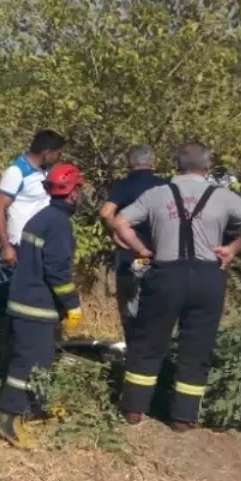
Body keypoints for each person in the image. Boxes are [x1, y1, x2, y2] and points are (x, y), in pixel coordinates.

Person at [111, 141, 241, 430]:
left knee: (149, 341)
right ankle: (183, 418)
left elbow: (120, 221)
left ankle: (134, 408)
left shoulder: (156, 194)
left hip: (165, 273)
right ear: (208, 166)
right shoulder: (223, 196)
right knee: (197, 346)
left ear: (175, 164)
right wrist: (233, 248)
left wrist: (142, 250)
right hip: (207, 276)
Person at [0, 164, 86, 449]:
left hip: (25, 302)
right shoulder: (58, 224)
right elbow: (57, 270)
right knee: (26, 363)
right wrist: (72, 305)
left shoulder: (42, 218)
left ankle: (35, 407)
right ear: (73, 193)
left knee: (43, 361)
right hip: (35, 307)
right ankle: (7, 421)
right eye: (80, 189)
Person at [99, 145, 167, 348]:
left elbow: (105, 212)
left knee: (130, 305)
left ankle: (134, 349)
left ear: (129, 163)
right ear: (152, 162)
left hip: (131, 255)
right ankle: (156, 351)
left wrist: (116, 231)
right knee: (156, 304)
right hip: (159, 255)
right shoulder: (164, 186)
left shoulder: (124, 185)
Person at [0, 131, 66, 269]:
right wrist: (6, 246)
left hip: (41, 244)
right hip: (22, 245)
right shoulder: (16, 172)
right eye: (58, 153)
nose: (59, 158)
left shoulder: (45, 172)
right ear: (47, 153)